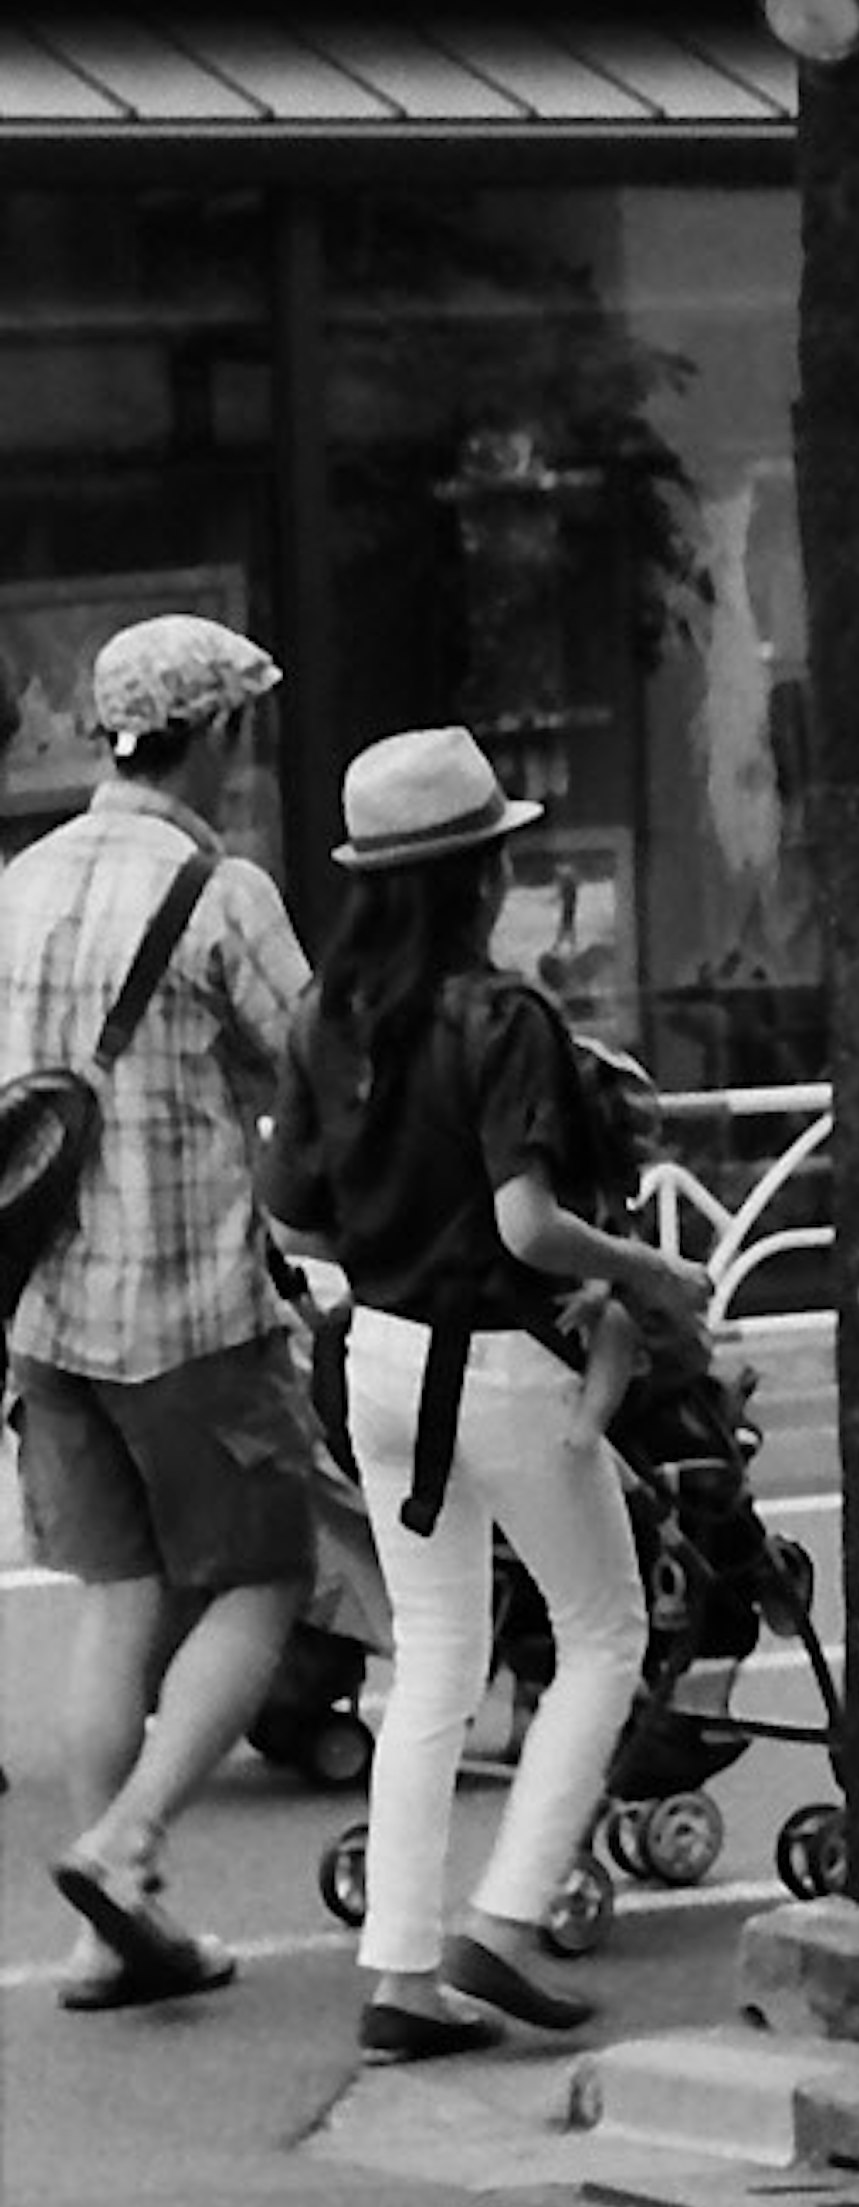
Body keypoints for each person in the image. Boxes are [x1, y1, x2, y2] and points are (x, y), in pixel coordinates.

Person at [261, 725, 714, 2060]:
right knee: (606, 1633)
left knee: (436, 1663)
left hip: (384, 1363)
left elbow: (297, 1226)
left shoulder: (327, 1021)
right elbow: (528, 1227)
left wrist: (403, 1245)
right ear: (477, 876)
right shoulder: (500, 1020)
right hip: (504, 1362)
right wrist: (650, 1274)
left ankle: (401, 1970)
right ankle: (505, 1923)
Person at [0, 611, 317, 2009]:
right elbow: (308, 1063)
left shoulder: (18, 883)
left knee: (116, 1599)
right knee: (263, 1575)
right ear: (221, 738)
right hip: (191, 1312)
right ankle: (125, 1848)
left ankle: (99, 1936)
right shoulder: (221, 890)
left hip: (47, 1312)